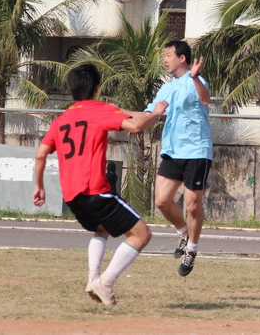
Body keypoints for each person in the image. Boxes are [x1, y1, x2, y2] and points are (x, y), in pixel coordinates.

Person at [31, 63, 168, 306]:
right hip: (95, 190)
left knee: (101, 229)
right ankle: (106, 282)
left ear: (70, 90)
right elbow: (136, 126)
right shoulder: (100, 110)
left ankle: (93, 278)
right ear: (96, 88)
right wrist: (156, 114)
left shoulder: (61, 119)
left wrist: (39, 186)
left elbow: (41, 154)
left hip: (72, 196)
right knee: (142, 234)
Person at [145, 40, 213, 277]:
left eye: (168, 55)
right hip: (172, 151)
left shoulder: (197, 80)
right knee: (162, 201)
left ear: (182, 58)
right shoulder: (166, 88)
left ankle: (192, 250)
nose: (164, 60)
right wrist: (124, 117)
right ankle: (183, 232)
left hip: (197, 152)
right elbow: (150, 112)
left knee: (192, 205)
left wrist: (195, 78)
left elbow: (205, 99)